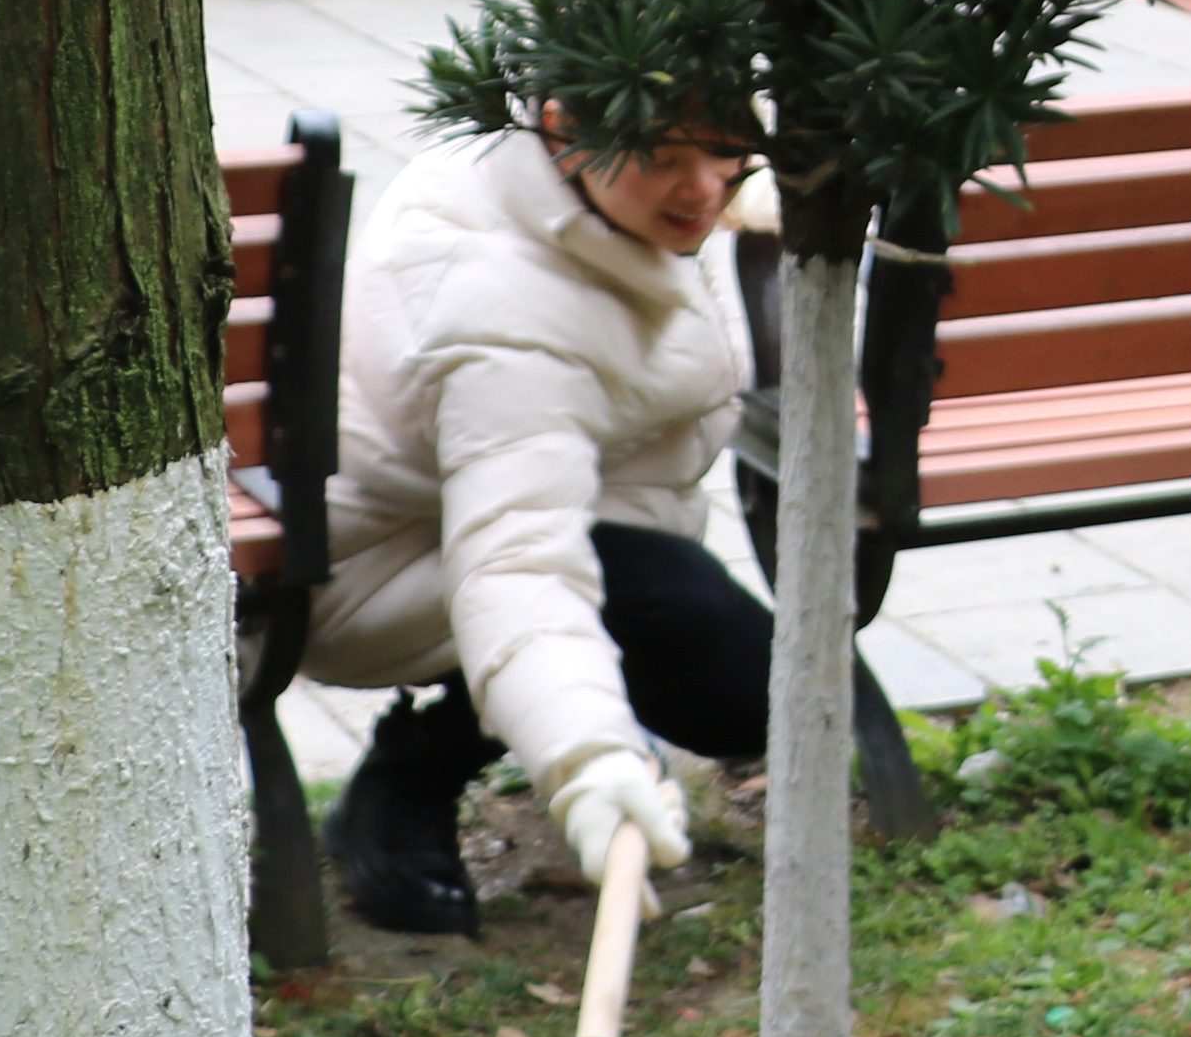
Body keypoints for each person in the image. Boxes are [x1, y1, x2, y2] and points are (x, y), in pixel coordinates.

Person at [307, 110, 936, 935]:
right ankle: (408, 780)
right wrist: (588, 762)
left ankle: (476, 734)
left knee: (746, 690)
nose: (705, 187)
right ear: (566, 126)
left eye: (722, 152)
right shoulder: (497, 301)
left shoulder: (594, 197)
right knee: (725, 665)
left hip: (538, 524)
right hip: (387, 572)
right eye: (666, 156)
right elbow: (518, 566)